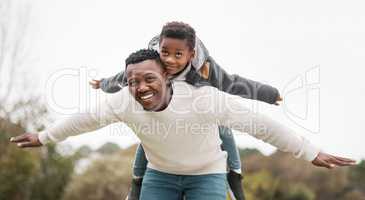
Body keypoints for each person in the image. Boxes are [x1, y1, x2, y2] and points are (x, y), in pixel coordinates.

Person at [11, 49, 356, 200]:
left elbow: (259, 124)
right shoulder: (123, 101)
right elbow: (84, 120)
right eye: (132, 82)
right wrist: (45, 136)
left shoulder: (203, 98)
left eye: (148, 78)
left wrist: (309, 151)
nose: (140, 87)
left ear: (167, 75)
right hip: (160, 176)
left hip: (207, 174)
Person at [90, 22, 282, 200]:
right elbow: (124, 76)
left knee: (223, 127)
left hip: (200, 114)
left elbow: (233, 83)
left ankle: (234, 175)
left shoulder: (205, 68)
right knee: (151, 137)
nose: (170, 61)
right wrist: (104, 84)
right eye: (166, 53)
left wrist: (269, 94)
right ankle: (137, 182)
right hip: (165, 117)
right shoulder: (154, 61)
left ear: (191, 54)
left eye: (178, 55)